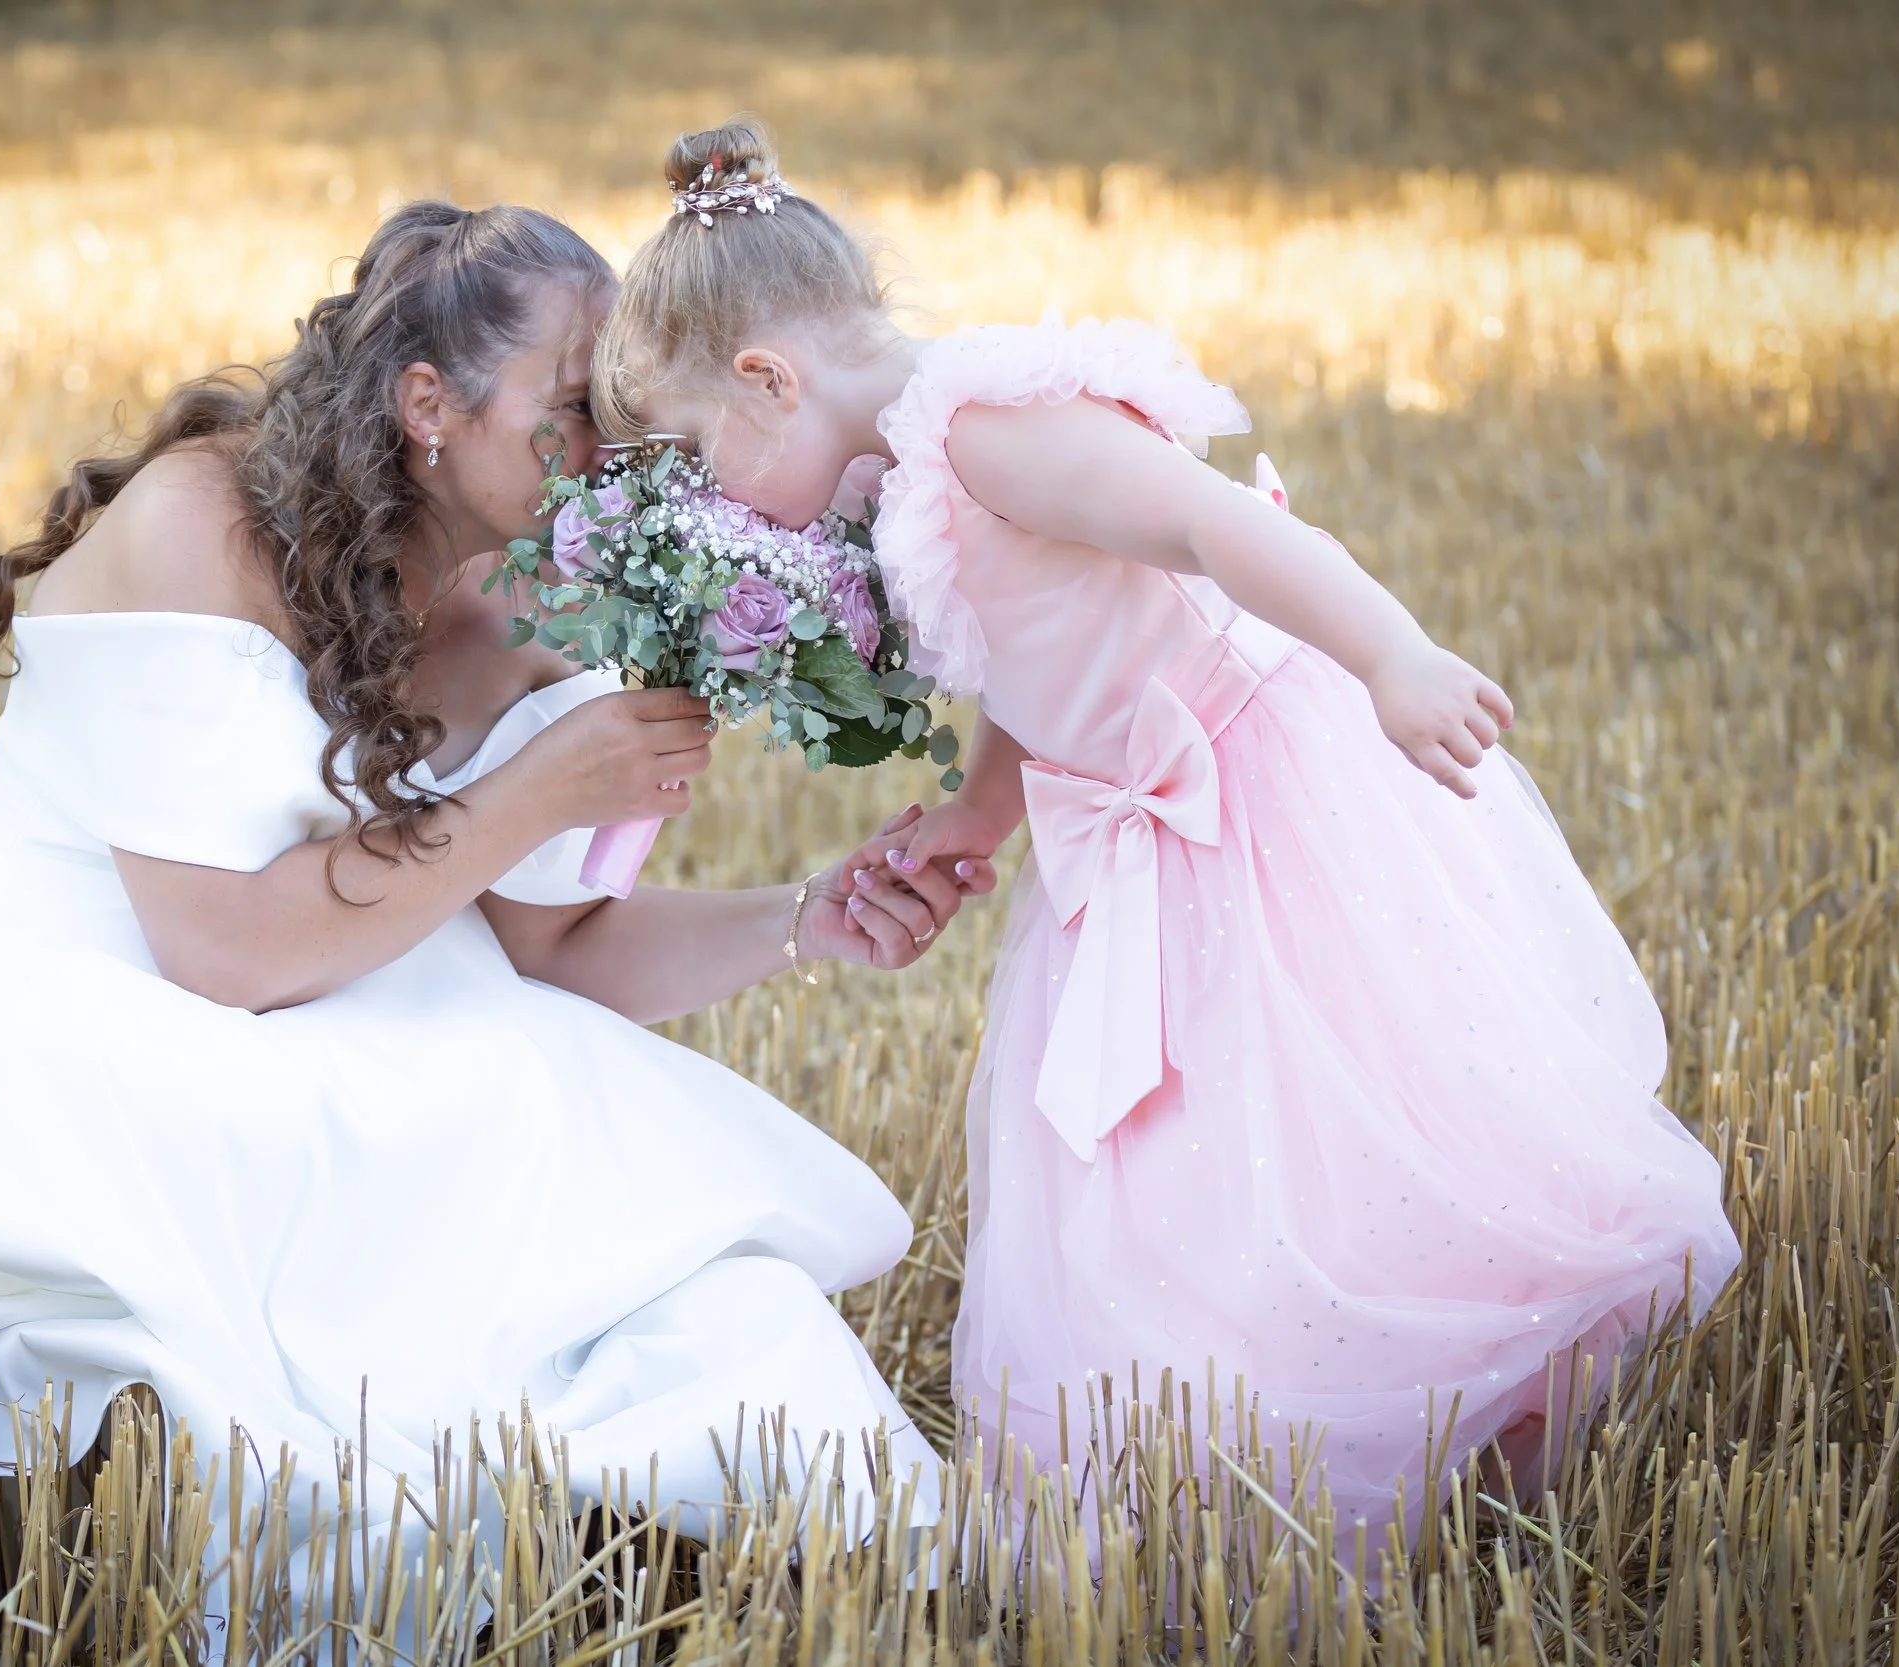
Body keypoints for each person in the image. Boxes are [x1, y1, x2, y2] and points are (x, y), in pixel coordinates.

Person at [0, 200, 992, 1643]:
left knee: (573, 1171)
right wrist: (541, 790)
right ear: (430, 403)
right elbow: (221, 950)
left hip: (371, 987)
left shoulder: (528, 595)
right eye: (572, 411)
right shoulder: (192, 526)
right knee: (273, 1180)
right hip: (103, 992)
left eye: (617, 412)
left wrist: (813, 915)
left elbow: (552, 952)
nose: (613, 457)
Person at [591, 119, 1740, 1537]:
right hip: (1123, 834)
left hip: (1254, 798)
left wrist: (1395, 658)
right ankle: (1241, 1439)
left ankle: (1454, 1403)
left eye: (698, 451)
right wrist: (979, 806)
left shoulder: (984, 430)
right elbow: (1037, 656)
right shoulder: (912, 482)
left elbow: (1214, 530)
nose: (708, 499)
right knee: (1168, 1168)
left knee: (1339, 1120)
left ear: (768, 381)